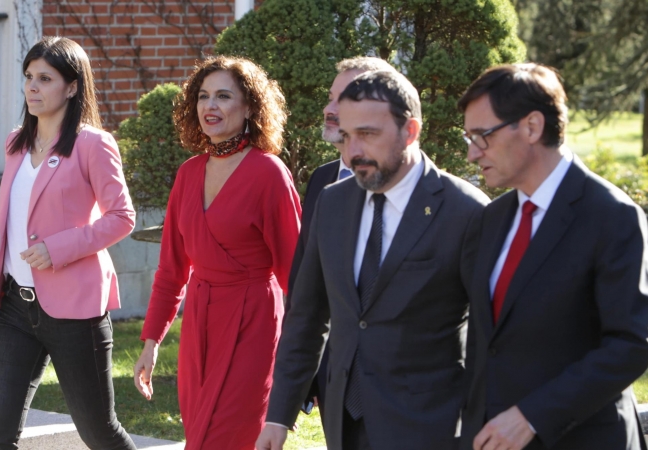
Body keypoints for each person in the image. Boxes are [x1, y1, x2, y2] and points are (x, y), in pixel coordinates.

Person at [257, 70, 489, 450]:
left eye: (368, 134)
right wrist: (278, 415)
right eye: (346, 136)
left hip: (432, 427)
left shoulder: (466, 212)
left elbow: (490, 338)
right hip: (343, 423)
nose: (353, 152)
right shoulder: (332, 203)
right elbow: (307, 316)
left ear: (410, 131)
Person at [456, 63, 648, 450]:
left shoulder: (612, 215)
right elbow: (486, 343)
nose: (470, 153)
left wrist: (532, 415)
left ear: (532, 127)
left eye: (482, 136)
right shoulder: (491, 220)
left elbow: (631, 346)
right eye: (469, 137)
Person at [133, 55, 301, 450]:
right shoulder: (188, 173)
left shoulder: (269, 174)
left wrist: (301, 357)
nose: (211, 106)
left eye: (224, 96)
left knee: (228, 436)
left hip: (254, 323)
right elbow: (172, 270)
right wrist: (151, 342)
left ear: (249, 108)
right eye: (204, 96)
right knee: (200, 432)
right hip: (199, 324)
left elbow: (296, 273)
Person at [0, 37, 137, 450]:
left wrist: (59, 247)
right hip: (17, 306)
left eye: (45, 79)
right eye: (29, 77)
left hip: (75, 309)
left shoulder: (93, 144)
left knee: (99, 432)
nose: (32, 87)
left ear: (72, 86)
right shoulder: (16, 143)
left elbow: (122, 217)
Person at [288, 56, 397, 422]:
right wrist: (306, 376)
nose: (330, 109)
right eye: (331, 97)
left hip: (399, 386)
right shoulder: (322, 181)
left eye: (345, 98)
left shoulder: (436, 199)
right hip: (335, 379)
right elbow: (306, 281)